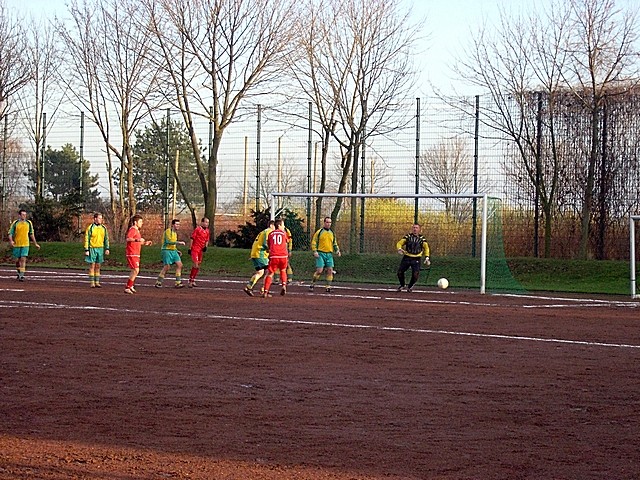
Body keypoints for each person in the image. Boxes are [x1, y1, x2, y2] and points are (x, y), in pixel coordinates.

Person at [309, 216, 341, 293]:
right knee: (319, 270)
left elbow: (334, 243)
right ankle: (312, 283)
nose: (328, 224)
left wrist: (337, 250)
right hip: (320, 253)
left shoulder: (331, 233)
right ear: (324, 223)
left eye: (330, 222)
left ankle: (328, 287)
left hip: (329, 254)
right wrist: (315, 251)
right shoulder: (319, 232)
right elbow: (314, 242)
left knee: (330, 270)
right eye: (327, 222)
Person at [7, 209, 40, 282]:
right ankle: (18, 272)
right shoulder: (15, 223)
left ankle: (22, 275)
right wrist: (11, 240)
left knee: (23, 258)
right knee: (17, 260)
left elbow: (31, 234)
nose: (24, 216)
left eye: (25, 215)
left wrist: (35, 243)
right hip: (17, 244)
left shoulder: (29, 223)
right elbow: (10, 233)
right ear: (19, 215)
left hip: (25, 244)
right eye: (22, 215)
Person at [396, 223, 430, 292]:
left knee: (415, 274)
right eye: (414, 228)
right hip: (407, 257)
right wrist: (399, 248)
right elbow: (400, 243)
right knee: (400, 272)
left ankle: (410, 286)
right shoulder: (408, 237)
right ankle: (402, 285)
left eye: (416, 228)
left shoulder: (422, 239)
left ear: (420, 229)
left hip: (416, 258)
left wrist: (427, 257)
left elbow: (426, 248)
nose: (415, 229)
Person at [243, 220, 275, 296]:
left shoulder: (263, 232)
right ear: (271, 225)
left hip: (255, 253)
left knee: (260, 272)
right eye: (274, 226)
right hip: (261, 253)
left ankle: (248, 287)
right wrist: (271, 250)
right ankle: (264, 290)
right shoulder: (268, 231)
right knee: (270, 272)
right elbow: (265, 243)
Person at [261, 219, 290, 298]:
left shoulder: (270, 234)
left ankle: (265, 291)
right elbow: (287, 241)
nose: (284, 227)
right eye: (283, 225)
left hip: (274, 256)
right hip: (283, 255)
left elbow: (269, 245)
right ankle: (284, 285)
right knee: (283, 270)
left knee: (270, 274)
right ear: (279, 225)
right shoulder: (284, 233)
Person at [124, 214, 153, 294]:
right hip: (132, 253)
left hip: (136, 253)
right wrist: (137, 240)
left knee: (135, 270)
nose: (141, 223)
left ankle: (130, 286)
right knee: (136, 270)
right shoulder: (133, 229)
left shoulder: (137, 231)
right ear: (135, 222)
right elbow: (128, 238)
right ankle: (128, 287)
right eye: (140, 221)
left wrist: (145, 243)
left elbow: (138, 241)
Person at [155, 219, 187, 288]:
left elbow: (173, 244)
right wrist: (179, 242)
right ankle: (158, 282)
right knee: (167, 267)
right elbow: (168, 241)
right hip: (166, 250)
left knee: (179, 265)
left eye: (179, 224)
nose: (178, 226)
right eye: (177, 224)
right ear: (172, 225)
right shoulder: (168, 231)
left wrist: (176, 250)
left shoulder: (175, 233)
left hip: (173, 251)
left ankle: (178, 282)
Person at [84, 212, 110, 288]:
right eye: (99, 218)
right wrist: (86, 249)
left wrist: (107, 248)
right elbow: (87, 238)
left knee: (98, 266)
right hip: (92, 248)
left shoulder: (103, 228)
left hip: (100, 248)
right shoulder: (90, 227)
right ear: (95, 219)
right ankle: (92, 282)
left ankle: (97, 282)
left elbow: (106, 239)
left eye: (101, 218)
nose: (101, 220)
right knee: (92, 265)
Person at [187, 217, 210, 287]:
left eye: (208, 222)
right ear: (202, 222)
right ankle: (190, 280)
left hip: (200, 250)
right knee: (195, 264)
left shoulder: (207, 231)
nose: (207, 224)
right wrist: (190, 248)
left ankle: (193, 279)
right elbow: (192, 238)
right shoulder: (197, 229)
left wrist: (206, 246)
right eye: (206, 222)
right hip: (195, 249)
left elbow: (207, 239)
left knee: (198, 266)